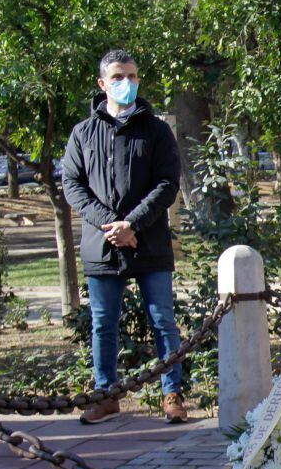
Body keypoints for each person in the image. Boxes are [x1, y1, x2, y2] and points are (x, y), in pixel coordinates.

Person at [62, 49, 187, 426]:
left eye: (132, 76)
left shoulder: (157, 130)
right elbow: (73, 185)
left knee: (162, 318)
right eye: (118, 77)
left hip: (149, 242)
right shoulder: (83, 133)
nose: (127, 84)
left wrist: (132, 224)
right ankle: (106, 394)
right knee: (104, 322)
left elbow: (167, 184)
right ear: (102, 84)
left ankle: (173, 393)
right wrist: (112, 225)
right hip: (102, 245)